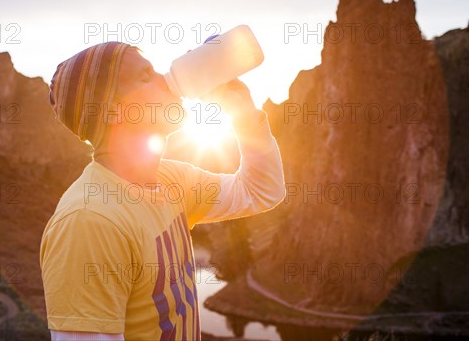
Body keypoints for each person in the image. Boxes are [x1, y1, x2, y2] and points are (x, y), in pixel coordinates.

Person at [39, 41, 285, 341]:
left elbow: (261, 190)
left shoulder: (171, 179)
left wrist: (243, 115)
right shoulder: (89, 222)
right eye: (145, 77)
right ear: (113, 111)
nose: (166, 79)